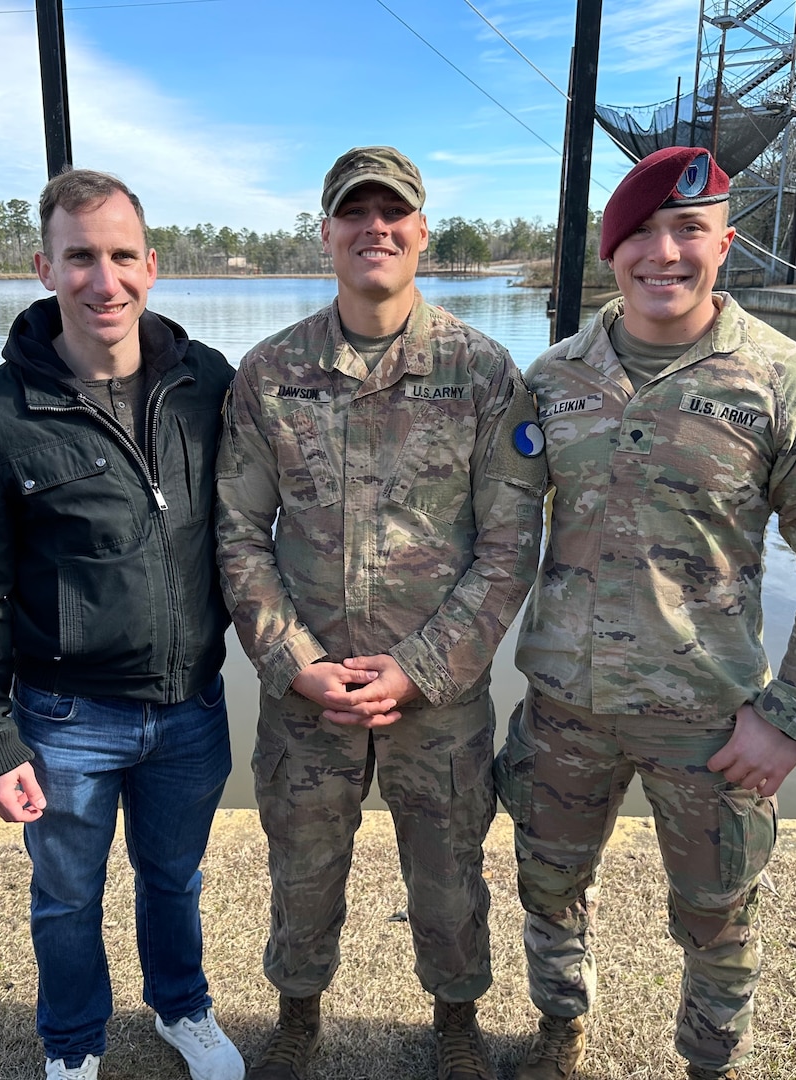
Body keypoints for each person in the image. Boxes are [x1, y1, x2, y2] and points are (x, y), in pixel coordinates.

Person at [499, 146, 796, 1080]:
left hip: (712, 723)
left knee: (718, 918)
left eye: (688, 231)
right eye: (640, 235)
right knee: (548, 889)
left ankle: (709, 1065)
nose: (662, 254)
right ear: (611, 251)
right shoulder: (554, 379)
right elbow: (498, 539)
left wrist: (791, 719)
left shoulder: (789, 387)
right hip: (565, 709)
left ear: (726, 242)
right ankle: (560, 1034)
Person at [215, 146, 547, 1080]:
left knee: (449, 881)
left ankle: (454, 1025)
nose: (375, 228)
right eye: (353, 213)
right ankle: (297, 1020)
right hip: (308, 697)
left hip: (436, 700)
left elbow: (509, 544)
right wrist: (294, 662)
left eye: (392, 212)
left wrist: (424, 666)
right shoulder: (270, 372)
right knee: (303, 872)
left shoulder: (483, 373)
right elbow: (238, 534)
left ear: (421, 232)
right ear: (325, 232)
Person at [0, 168, 245, 1080]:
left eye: (119, 257)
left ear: (152, 266)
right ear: (44, 267)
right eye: (79, 258)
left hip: (191, 706)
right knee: (66, 896)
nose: (101, 282)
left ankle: (181, 1008)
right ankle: (72, 1044)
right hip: (66, 719)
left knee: (174, 879)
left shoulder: (208, 384)